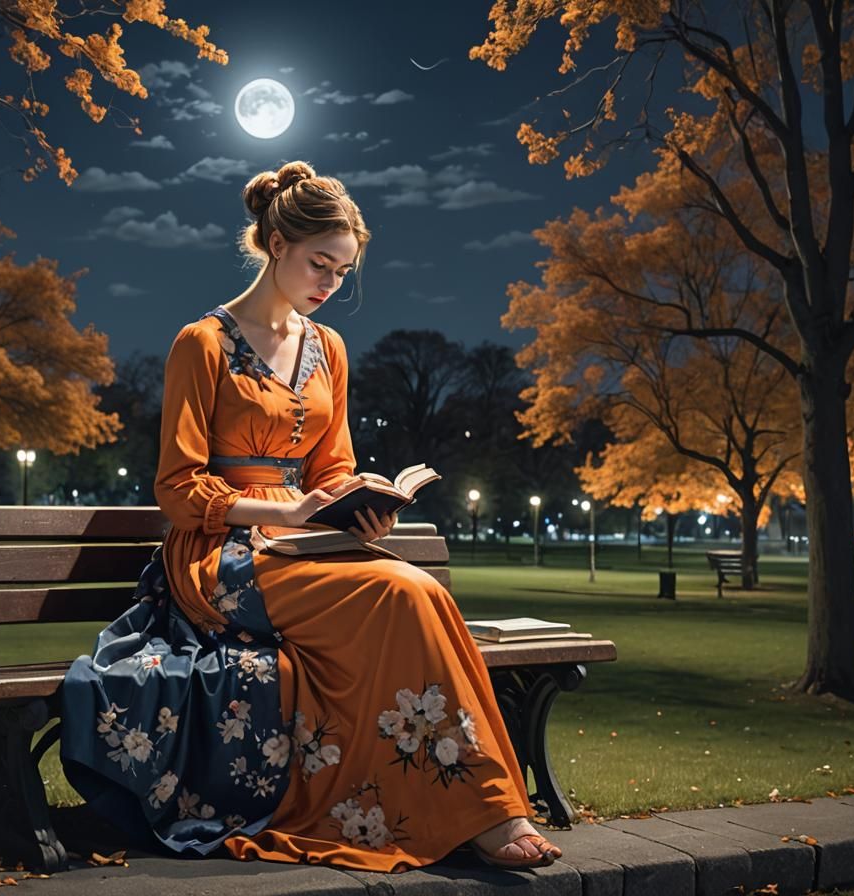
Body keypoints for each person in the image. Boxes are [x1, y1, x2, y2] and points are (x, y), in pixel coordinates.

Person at [60, 161, 562, 872]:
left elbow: (331, 467)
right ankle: (482, 815)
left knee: (421, 593)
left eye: (342, 270)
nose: (330, 284)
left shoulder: (329, 349)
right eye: (318, 263)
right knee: (403, 592)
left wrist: (356, 508)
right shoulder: (201, 344)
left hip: (303, 542)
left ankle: (478, 805)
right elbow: (177, 490)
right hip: (219, 556)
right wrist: (282, 508)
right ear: (274, 244)